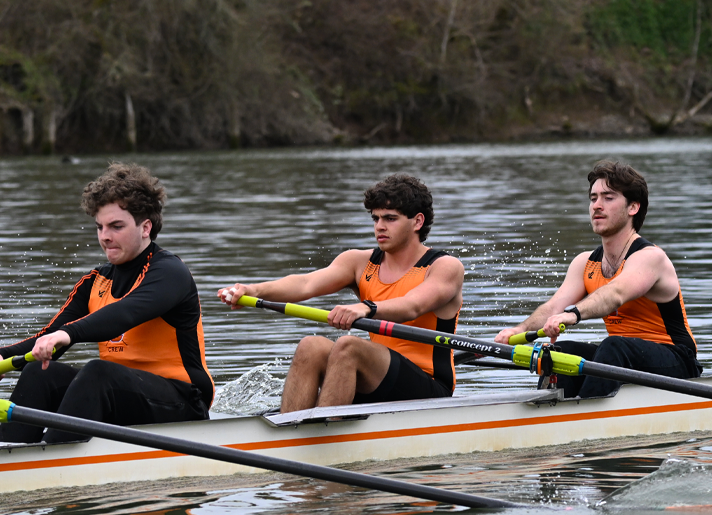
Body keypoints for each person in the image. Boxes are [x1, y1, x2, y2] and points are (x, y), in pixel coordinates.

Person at [0, 163, 213, 442]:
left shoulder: (170, 273)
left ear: (145, 227)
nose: (105, 237)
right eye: (100, 227)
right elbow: (50, 338)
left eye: (116, 226)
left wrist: (67, 334)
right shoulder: (95, 281)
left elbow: (124, 314)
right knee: (39, 371)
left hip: (183, 403)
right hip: (122, 396)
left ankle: (52, 461)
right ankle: (14, 450)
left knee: (97, 372)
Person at [217, 174, 463, 411]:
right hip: (377, 378)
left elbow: (412, 306)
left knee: (349, 347)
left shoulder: (444, 267)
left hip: (429, 388)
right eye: (375, 219)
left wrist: (367, 307)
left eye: (390, 218)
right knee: (310, 346)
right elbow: (305, 284)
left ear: (417, 222)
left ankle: (326, 437)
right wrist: (254, 289)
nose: (380, 227)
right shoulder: (358, 262)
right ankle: (290, 429)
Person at [496, 159, 699, 398]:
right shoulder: (585, 262)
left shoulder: (650, 257)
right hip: (624, 357)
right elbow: (553, 307)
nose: (597, 206)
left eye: (608, 198)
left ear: (633, 207)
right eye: (593, 198)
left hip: (676, 359)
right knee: (564, 351)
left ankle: (586, 417)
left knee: (613, 346)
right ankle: (552, 415)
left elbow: (615, 294)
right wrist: (517, 330)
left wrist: (573, 314)